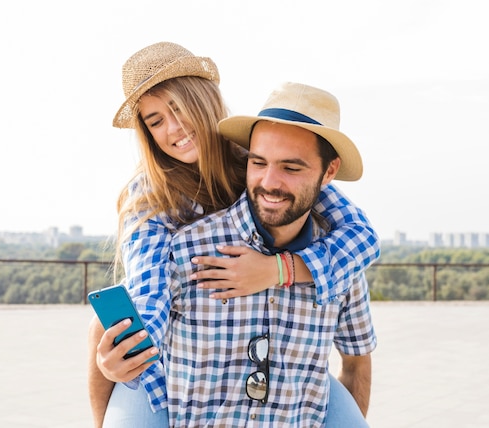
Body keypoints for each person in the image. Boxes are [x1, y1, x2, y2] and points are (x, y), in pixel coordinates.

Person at [89, 42, 379, 427]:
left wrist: (278, 270)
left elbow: (362, 236)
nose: (173, 128)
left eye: (178, 108)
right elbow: (149, 288)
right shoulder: (151, 196)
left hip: (285, 367)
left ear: (204, 101)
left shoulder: (257, 162)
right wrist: (134, 349)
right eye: (155, 121)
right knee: (105, 334)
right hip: (170, 365)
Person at [156, 81, 377, 426]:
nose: (269, 182)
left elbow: (357, 361)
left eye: (291, 168)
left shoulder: (342, 265)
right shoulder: (187, 249)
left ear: (329, 171)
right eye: (259, 163)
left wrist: (282, 269)